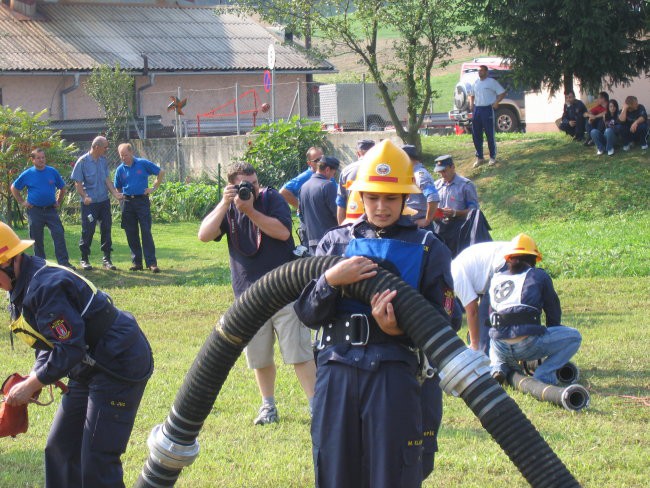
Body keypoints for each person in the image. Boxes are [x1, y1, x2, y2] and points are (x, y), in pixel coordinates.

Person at [294, 140, 455, 488]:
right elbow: (306, 312)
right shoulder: (333, 244)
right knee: (334, 469)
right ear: (361, 196)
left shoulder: (428, 247)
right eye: (373, 197)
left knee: (393, 472)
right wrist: (330, 281)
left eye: (390, 198)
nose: (381, 207)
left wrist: (398, 329)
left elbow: (445, 324)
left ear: (405, 199)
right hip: (336, 368)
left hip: (393, 371)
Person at [0, 221, 153, 488]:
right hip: (86, 365)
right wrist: (36, 375)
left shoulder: (43, 289)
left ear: (8, 262)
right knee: (60, 448)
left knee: (97, 460)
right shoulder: (21, 286)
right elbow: (49, 343)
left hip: (117, 362)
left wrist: (34, 383)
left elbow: (70, 346)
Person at [198, 162, 316, 425]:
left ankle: (316, 406)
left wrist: (250, 211)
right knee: (259, 357)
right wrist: (224, 203)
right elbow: (204, 235)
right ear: (231, 185)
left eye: (254, 183)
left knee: (299, 353)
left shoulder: (270, 198)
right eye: (244, 185)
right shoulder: (229, 208)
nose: (251, 188)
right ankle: (268, 406)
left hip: (284, 291)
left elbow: (283, 232)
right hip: (249, 297)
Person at [487, 234, 582, 385]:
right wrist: (551, 337)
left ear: (509, 258)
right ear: (533, 259)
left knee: (494, 339)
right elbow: (553, 310)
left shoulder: (496, 279)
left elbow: (492, 316)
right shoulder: (538, 275)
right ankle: (544, 376)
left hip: (499, 345)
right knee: (574, 337)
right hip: (526, 343)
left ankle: (498, 367)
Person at [10, 148, 74, 269]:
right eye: (38, 158)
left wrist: (58, 201)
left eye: (43, 157)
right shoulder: (28, 174)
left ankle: (64, 263)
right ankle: (41, 264)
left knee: (58, 234)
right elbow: (14, 188)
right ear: (32, 160)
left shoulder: (52, 172)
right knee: (36, 238)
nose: (41, 160)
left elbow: (62, 187)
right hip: (35, 211)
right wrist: (22, 202)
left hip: (50, 210)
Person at [71, 136, 123, 271]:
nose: (107, 149)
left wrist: (115, 194)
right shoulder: (82, 162)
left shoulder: (103, 161)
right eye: (105, 147)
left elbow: (107, 179)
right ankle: (84, 258)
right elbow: (77, 183)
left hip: (103, 201)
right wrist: (84, 196)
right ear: (96, 147)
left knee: (106, 228)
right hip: (90, 204)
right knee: (88, 230)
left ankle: (107, 259)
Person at [113, 143, 164, 273]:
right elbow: (117, 187)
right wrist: (121, 200)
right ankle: (137, 262)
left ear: (131, 153)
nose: (124, 158)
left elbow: (161, 172)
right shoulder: (120, 170)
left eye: (125, 155)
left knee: (146, 231)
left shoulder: (143, 163)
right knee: (131, 233)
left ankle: (151, 263)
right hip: (127, 202)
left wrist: (153, 188)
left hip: (142, 201)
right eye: (121, 155)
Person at [451, 241, 509, 354]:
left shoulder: (454, 275)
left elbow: (472, 310)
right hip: (516, 254)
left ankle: (487, 362)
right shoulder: (456, 266)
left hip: (505, 261)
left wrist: (474, 343)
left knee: (485, 319)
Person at [433, 155, 480, 257]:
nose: (442, 175)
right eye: (439, 172)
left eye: (444, 171)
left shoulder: (466, 185)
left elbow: (474, 211)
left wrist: (455, 213)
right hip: (439, 228)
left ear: (453, 167)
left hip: (459, 230)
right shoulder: (436, 186)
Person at [279, 146, 324, 246]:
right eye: (317, 160)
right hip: (310, 225)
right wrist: (301, 206)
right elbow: (283, 192)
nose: (321, 162)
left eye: (322, 158)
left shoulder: (326, 173)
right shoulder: (306, 176)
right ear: (309, 163)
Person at [298, 156, 340, 255]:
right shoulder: (328, 185)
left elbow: (301, 216)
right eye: (334, 173)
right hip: (329, 242)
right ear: (327, 169)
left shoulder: (303, 187)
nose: (333, 176)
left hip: (311, 241)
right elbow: (338, 214)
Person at [469, 65, 507, 167]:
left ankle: (492, 157)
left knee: (489, 134)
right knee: (476, 134)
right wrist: (471, 104)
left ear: (486, 72)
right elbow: (471, 94)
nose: (479, 72)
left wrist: (496, 102)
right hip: (477, 110)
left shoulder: (492, 82)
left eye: (481, 70)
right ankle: (480, 157)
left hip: (487, 109)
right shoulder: (476, 83)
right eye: (478, 71)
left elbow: (502, 93)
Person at [336, 139, 375, 224]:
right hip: (376, 219)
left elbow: (341, 202)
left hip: (353, 218)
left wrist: (342, 228)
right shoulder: (380, 169)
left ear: (358, 153)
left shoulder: (346, 171)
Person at [401, 144, 439, 229]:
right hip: (410, 223)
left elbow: (433, 197)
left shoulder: (420, 175)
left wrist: (427, 220)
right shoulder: (411, 174)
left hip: (420, 225)